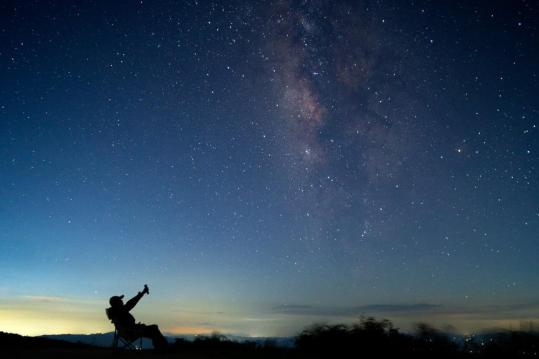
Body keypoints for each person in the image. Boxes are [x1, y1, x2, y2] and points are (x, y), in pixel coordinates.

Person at [107, 284, 168, 351]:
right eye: (120, 301)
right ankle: (162, 348)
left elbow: (129, 305)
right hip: (131, 333)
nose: (122, 301)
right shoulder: (120, 312)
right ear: (117, 303)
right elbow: (130, 303)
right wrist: (141, 294)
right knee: (154, 328)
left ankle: (161, 347)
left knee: (153, 329)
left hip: (129, 331)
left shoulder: (116, 313)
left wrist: (141, 294)